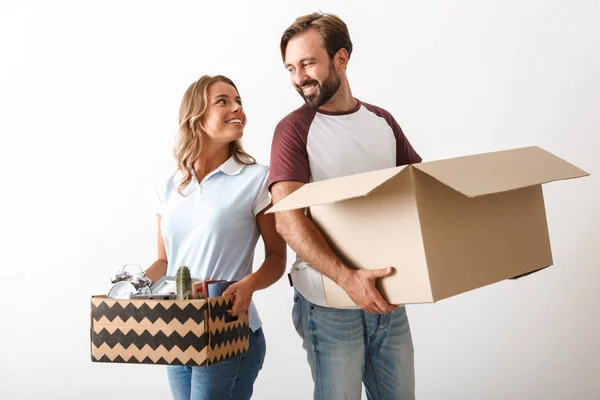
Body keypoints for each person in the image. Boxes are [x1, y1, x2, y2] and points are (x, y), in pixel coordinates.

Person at [268, 12, 423, 400]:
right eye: (290, 67)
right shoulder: (293, 130)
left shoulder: (382, 121)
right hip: (328, 302)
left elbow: (423, 196)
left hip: (388, 294)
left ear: (341, 58)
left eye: (307, 63)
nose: (298, 77)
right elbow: (287, 221)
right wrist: (348, 279)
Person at [145, 74, 287, 400]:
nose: (237, 108)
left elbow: (277, 258)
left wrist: (249, 285)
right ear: (196, 116)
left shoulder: (257, 180)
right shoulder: (167, 186)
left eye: (238, 101)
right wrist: (132, 288)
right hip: (178, 330)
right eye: (223, 101)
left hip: (229, 331)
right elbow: (165, 262)